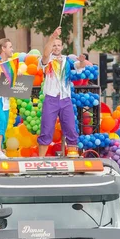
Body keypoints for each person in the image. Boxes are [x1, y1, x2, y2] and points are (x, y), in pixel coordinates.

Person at [38, 27, 87, 158]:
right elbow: (45, 54)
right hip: (51, 99)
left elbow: (79, 66)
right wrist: (52, 37)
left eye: (58, 45)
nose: (56, 47)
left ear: (62, 47)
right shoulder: (47, 60)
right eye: (54, 45)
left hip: (65, 99)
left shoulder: (67, 60)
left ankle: (72, 156)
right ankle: (40, 159)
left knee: (71, 129)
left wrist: (82, 61)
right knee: (46, 130)